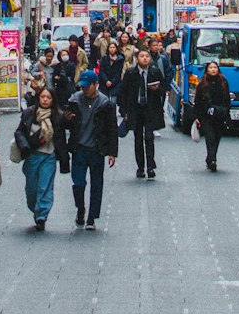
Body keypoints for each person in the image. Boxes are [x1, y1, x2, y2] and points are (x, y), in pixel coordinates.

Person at [65, 70, 118, 229]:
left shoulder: (105, 104)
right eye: (82, 86)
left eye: (88, 86)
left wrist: (112, 152)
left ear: (96, 85)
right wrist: (65, 119)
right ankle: (80, 208)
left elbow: (112, 128)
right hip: (79, 148)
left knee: (97, 184)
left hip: (96, 149)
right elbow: (66, 124)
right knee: (78, 183)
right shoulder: (74, 100)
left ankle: (91, 218)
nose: (84, 89)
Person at [16, 85, 70, 231]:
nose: (45, 100)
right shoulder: (29, 113)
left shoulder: (58, 115)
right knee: (32, 187)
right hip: (32, 155)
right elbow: (20, 132)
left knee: (45, 186)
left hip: (49, 155)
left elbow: (68, 129)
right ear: (38, 98)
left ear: (53, 100)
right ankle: (35, 208)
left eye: (48, 97)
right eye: (43, 97)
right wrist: (25, 146)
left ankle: (42, 215)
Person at [120, 47, 166, 179]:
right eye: (142, 56)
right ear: (137, 59)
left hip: (150, 109)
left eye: (147, 56)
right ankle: (140, 167)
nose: (145, 58)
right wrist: (124, 111)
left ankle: (150, 166)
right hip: (135, 109)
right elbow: (124, 92)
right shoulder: (130, 73)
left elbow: (163, 88)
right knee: (138, 138)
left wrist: (156, 89)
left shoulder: (154, 72)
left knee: (149, 137)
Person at [194, 61, 230, 172]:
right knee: (210, 136)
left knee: (217, 137)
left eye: (215, 67)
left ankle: (210, 157)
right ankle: (212, 159)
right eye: (211, 68)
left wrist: (226, 112)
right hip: (206, 115)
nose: (213, 69)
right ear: (207, 70)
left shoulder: (223, 82)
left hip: (219, 115)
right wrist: (197, 117)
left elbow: (227, 99)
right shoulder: (202, 84)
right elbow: (197, 101)